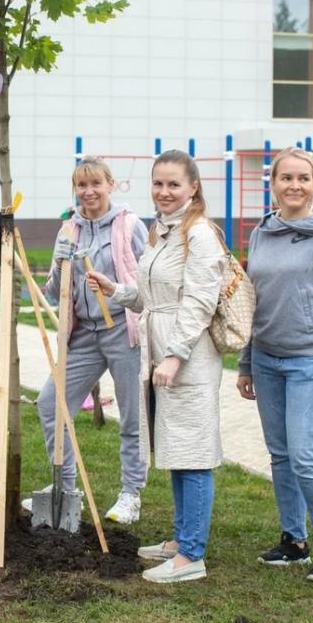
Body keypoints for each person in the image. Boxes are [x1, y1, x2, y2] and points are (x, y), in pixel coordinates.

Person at [87, 150, 226, 582]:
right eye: (158, 184)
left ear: (193, 188)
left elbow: (199, 302)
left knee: (194, 453)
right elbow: (155, 294)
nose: (164, 192)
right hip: (161, 352)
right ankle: (182, 537)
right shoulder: (162, 232)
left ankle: (191, 556)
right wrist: (118, 290)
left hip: (187, 356)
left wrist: (174, 354)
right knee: (174, 449)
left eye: (173, 185)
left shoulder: (199, 235)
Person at [236, 146, 313, 583]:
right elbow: (252, 300)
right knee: (281, 455)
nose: (295, 186)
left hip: (311, 361)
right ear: (274, 184)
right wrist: (246, 362)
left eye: (303, 178)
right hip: (266, 360)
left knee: (305, 455)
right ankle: (293, 541)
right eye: (286, 178)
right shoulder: (261, 233)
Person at [22, 156, 149, 525]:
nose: (88, 192)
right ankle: (64, 488)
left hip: (123, 330)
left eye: (96, 184)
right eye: (81, 185)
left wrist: (118, 289)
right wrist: (60, 263)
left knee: (131, 416)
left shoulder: (129, 226)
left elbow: (149, 282)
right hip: (84, 334)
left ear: (111, 185)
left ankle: (131, 494)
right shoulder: (68, 230)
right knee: (51, 404)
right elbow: (52, 292)